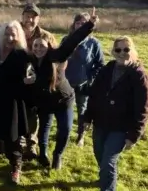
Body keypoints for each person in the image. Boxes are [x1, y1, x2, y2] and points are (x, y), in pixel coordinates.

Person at [83, 36, 148, 191]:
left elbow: (143, 107)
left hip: (121, 128)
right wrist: (87, 117)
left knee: (108, 162)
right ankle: (106, 180)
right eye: (118, 50)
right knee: (100, 155)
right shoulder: (107, 69)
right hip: (101, 123)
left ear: (133, 51)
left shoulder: (138, 75)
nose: (122, 53)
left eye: (126, 49)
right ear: (113, 52)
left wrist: (134, 134)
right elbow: (95, 95)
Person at [24, 10, 97, 171]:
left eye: (41, 46)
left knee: (65, 129)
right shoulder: (31, 59)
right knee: (44, 128)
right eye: (35, 46)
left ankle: (58, 155)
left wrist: (89, 25)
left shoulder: (56, 55)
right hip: (45, 102)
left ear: (48, 46)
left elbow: (72, 41)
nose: (38, 49)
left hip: (64, 100)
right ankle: (43, 154)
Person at [0, 21, 30, 184]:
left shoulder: (21, 55)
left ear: (18, 36)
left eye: (13, 35)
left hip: (12, 102)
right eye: (7, 34)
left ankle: (16, 166)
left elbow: (22, 80)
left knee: (13, 137)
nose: (10, 38)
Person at [62, 12, 104, 147]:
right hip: (66, 84)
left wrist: (90, 78)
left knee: (82, 111)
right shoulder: (66, 40)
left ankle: (80, 135)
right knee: (64, 111)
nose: (81, 25)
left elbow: (100, 64)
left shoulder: (94, 43)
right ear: (74, 25)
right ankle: (63, 134)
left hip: (83, 85)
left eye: (84, 23)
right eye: (78, 22)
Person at [20, 3, 53, 160]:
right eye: (27, 16)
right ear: (22, 17)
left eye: (33, 17)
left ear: (38, 19)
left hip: (37, 82)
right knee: (18, 110)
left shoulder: (46, 36)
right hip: (18, 80)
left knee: (34, 114)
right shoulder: (15, 31)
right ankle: (17, 141)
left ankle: (31, 144)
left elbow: (58, 58)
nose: (30, 19)